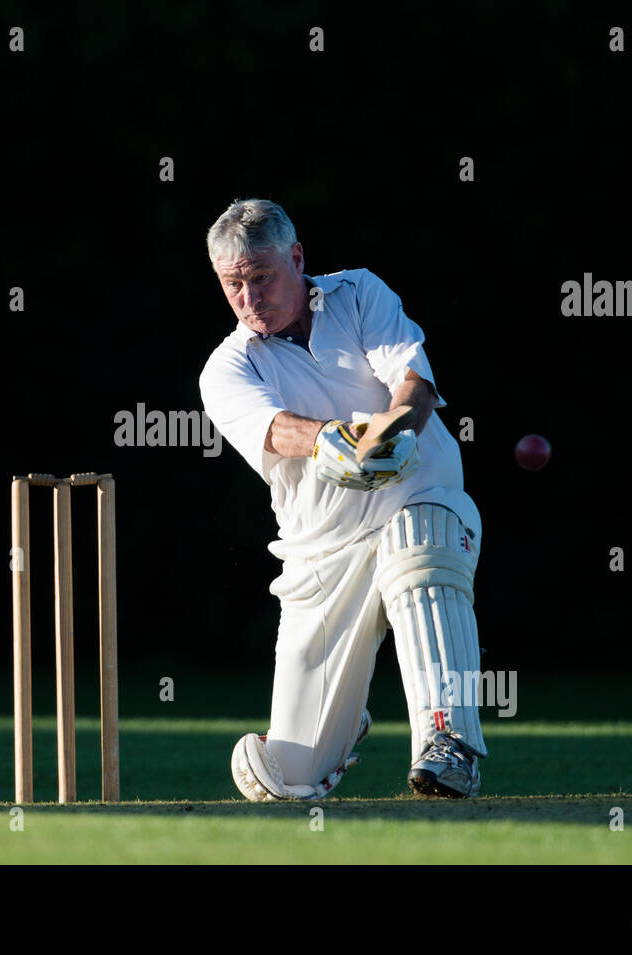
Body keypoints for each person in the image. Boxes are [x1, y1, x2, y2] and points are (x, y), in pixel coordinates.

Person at [200, 198, 487, 800]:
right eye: (234, 285)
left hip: (420, 502)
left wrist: (394, 433)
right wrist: (334, 443)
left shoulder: (359, 293)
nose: (250, 299)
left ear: (296, 258)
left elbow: (414, 384)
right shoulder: (225, 368)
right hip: (322, 555)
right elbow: (275, 430)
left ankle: (449, 744)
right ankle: (342, 720)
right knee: (284, 779)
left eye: (261, 278)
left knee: (419, 551)